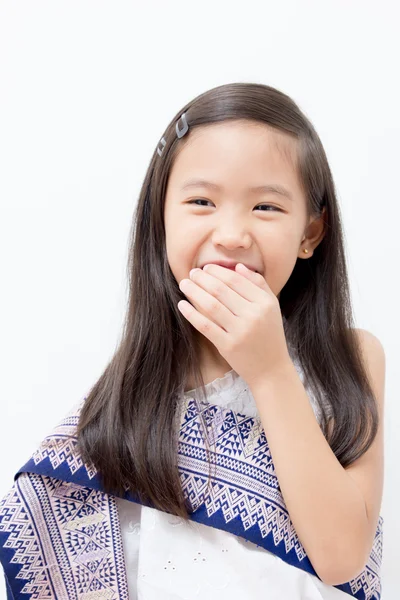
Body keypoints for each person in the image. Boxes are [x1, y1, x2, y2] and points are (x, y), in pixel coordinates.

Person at [0, 82, 385, 600]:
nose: (231, 234)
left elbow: (341, 557)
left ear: (310, 233)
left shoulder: (350, 356)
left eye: (266, 207)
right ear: (162, 218)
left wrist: (270, 370)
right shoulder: (137, 381)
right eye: (201, 201)